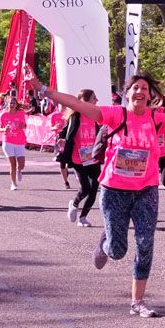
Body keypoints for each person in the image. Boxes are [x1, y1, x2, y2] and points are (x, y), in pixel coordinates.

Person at [37, 75, 165, 317]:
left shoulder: (157, 119)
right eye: (135, 88)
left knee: (145, 245)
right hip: (114, 191)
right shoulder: (115, 115)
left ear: (150, 96)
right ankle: (106, 240)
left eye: (145, 89)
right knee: (118, 251)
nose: (140, 92)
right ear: (127, 93)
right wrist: (43, 89)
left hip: (146, 191)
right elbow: (77, 105)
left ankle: (137, 302)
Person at [57, 89, 101, 228]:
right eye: (94, 98)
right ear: (86, 100)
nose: (97, 100)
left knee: (94, 188)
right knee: (86, 188)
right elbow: (64, 131)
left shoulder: (95, 116)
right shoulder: (75, 117)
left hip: (93, 157)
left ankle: (83, 218)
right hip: (78, 158)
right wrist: (61, 139)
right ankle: (74, 204)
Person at [0, 93, 30, 190]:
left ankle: (19, 170)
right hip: (8, 142)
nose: (12, 105)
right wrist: (4, 130)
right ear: (7, 104)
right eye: (11, 103)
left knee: (22, 164)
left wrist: (22, 126)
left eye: (14, 103)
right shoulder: (3, 115)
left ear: (16, 104)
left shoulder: (20, 114)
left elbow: (25, 126)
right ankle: (13, 183)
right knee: (13, 164)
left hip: (20, 141)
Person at [49, 106, 71, 189]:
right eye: (61, 104)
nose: (63, 106)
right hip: (59, 141)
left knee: (69, 162)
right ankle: (66, 182)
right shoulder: (54, 115)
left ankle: (67, 170)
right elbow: (50, 127)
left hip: (69, 140)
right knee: (62, 163)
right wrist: (55, 127)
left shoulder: (70, 114)